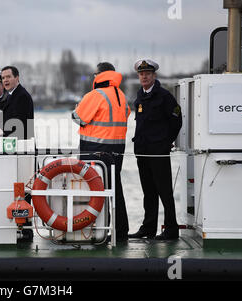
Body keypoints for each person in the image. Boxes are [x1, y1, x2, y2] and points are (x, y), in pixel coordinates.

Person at [72, 62, 131, 242]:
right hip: (117, 151)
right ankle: (121, 231)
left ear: (100, 75)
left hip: (95, 150)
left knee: (94, 191)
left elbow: (78, 118)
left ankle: (96, 231)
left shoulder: (95, 95)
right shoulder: (121, 96)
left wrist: (77, 108)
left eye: (94, 74)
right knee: (115, 189)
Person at [128, 59, 182, 240]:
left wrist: (166, 141)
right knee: (148, 192)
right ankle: (148, 228)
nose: (144, 77)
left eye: (148, 74)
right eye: (141, 74)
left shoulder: (164, 96)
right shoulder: (140, 96)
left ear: (154, 76)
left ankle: (171, 230)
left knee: (164, 191)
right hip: (142, 151)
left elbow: (176, 119)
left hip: (158, 152)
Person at [0, 66, 34, 139]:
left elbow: (20, 122)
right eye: (3, 78)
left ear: (17, 78)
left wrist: (3, 130)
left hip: (22, 145)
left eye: (8, 77)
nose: (5, 80)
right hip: (13, 143)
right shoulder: (11, 95)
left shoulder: (22, 96)